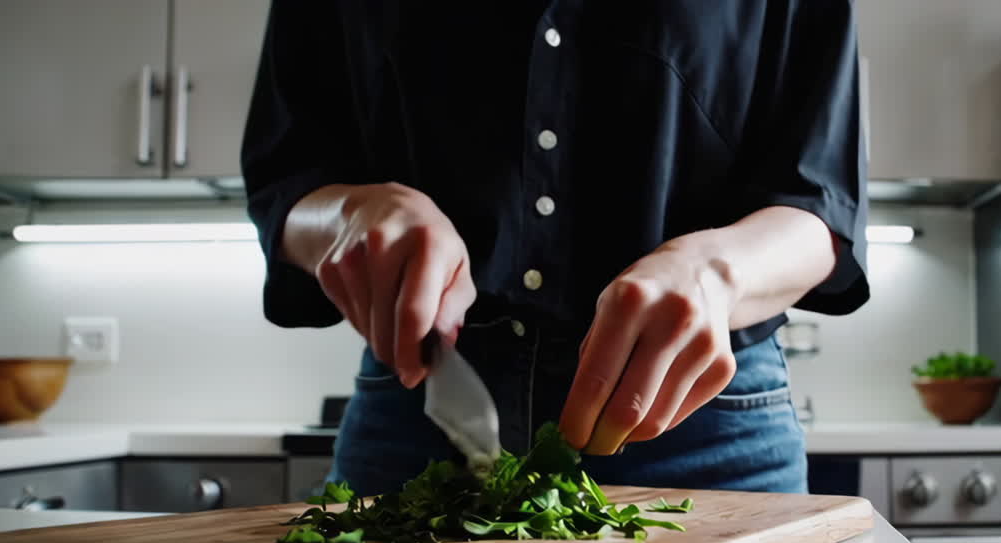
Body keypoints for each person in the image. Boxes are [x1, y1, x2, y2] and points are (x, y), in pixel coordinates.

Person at [241, 1, 869, 498]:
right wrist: (351, 215)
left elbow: (824, 207)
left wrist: (714, 275)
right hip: (423, 412)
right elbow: (287, 181)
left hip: (702, 425)